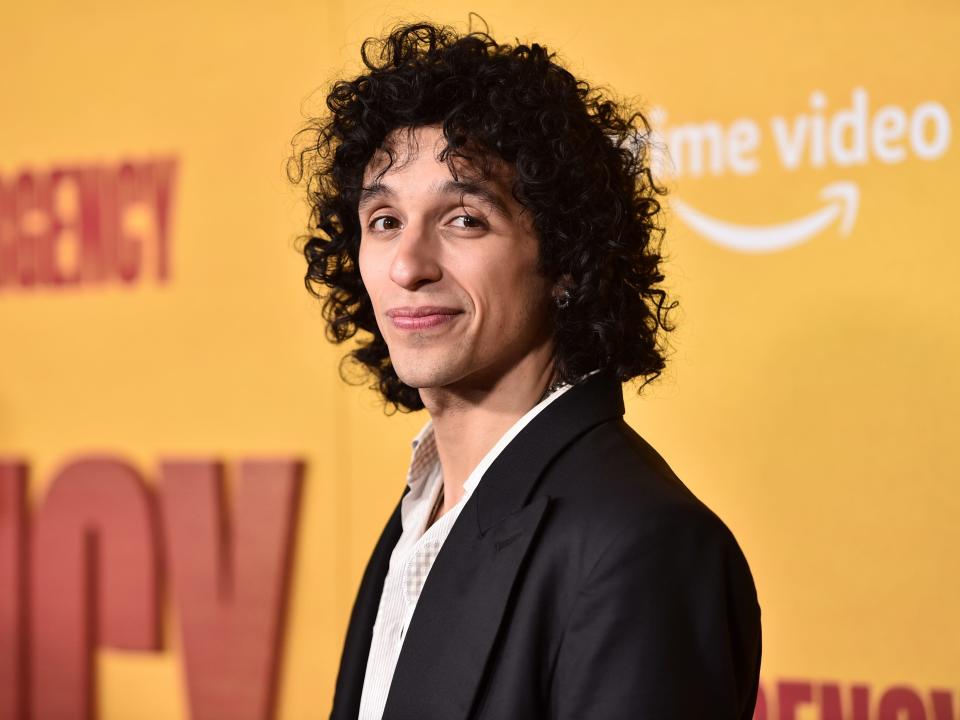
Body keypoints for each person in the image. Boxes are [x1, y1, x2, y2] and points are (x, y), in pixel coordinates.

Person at [290, 20, 762, 720]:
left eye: (463, 220)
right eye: (385, 220)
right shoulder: (425, 512)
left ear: (566, 259)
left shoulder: (643, 544)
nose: (407, 265)